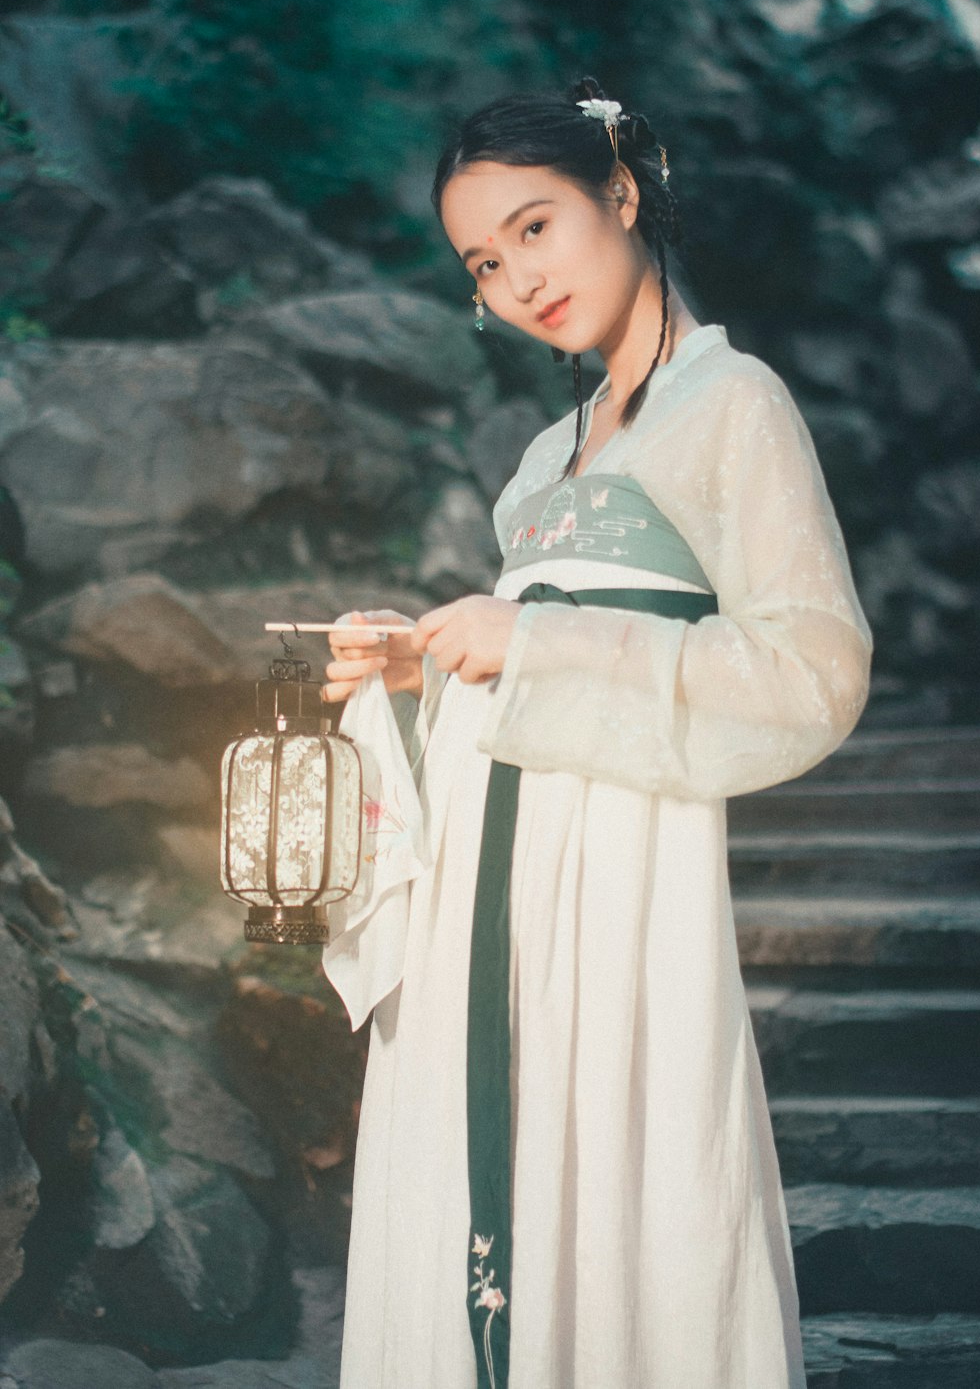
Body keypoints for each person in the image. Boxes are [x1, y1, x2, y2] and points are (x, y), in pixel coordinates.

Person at [320, 77, 872, 1389]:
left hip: (622, 861)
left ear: (620, 196)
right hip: (480, 871)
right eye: (484, 260)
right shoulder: (538, 461)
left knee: (618, 1172)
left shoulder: (732, 405)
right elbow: (516, 660)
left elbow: (814, 672)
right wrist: (412, 663)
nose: (518, 276)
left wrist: (543, 641)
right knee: (472, 1169)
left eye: (537, 227)